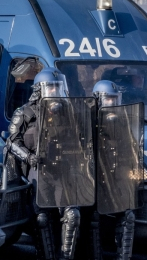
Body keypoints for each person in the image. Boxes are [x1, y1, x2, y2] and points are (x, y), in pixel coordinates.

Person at [5, 68, 78, 259]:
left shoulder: (68, 115)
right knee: (43, 218)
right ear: (39, 90)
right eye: (51, 88)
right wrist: (28, 156)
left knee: (72, 215)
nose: (55, 92)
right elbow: (12, 141)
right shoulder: (25, 112)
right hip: (36, 172)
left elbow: (79, 141)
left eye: (57, 88)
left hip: (63, 171)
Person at [93, 80, 136, 260]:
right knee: (92, 218)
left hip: (116, 177)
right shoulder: (89, 120)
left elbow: (130, 148)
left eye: (114, 99)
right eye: (108, 99)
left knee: (128, 215)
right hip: (94, 179)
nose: (111, 103)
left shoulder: (123, 122)